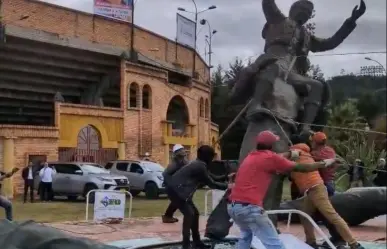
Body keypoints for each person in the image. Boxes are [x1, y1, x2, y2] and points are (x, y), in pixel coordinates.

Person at [227, 131, 337, 249]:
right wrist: (324, 163)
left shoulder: (251, 155)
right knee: (275, 245)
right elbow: (303, 168)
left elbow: (275, 157)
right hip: (250, 209)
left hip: (233, 207)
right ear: (272, 145)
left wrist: (290, 153)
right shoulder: (271, 158)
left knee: (245, 238)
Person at [290, 143, 365, 249]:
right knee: (304, 215)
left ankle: (354, 244)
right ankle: (311, 242)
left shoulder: (299, 157)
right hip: (310, 191)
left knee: (332, 216)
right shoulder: (308, 156)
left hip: (317, 189)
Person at [168, 145, 230, 249]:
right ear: (207, 157)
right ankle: (186, 246)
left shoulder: (199, 164)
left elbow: (212, 177)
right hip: (177, 192)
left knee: (195, 214)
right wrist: (228, 186)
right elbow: (211, 183)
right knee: (190, 216)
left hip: (179, 192)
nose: (212, 159)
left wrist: (225, 177)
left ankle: (197, 242)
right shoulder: (199, 166)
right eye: (212, 156)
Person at [162, 144, 189, 223]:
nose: (183, 151)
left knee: (177, 201)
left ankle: (167, 216)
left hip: (178, 186)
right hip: (171, 186)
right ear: (177, 153)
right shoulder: (175, 163)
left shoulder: (183, 161)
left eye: (183, 149)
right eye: (181, 150)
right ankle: (167, 216)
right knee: (178, 201)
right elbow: (165, 174)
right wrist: (172, 184)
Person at [310, 132, 337, 196]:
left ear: (315, 142)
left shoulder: (314, 154)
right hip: (331, 183)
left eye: (312, 141)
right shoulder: (330, 150)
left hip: (321, 184)